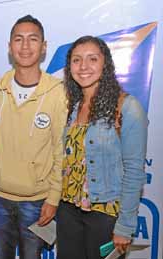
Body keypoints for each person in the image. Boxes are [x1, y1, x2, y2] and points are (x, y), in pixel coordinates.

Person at [56, 36, 148, 259]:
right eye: (76, 60)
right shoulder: (72, 107)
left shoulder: (127, 108)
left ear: (105, 64)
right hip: (68, 211)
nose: (84, 66)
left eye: (92, 59)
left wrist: (125, 227)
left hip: (105, 214)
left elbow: (134, 172)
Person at [0, 14, 67, 259]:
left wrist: (53, 198)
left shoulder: (58, 93)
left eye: (33, 39)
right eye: (18, 39)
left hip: (36, 202)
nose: (25, 46)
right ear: (10, 47)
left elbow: (61, 151)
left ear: (43, 47)